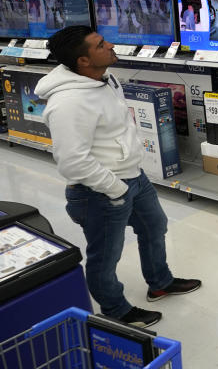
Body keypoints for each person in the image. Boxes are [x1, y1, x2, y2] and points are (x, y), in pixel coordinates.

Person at [36, 27, 201, 328]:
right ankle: (115, 310)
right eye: (101, 44)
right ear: (84, 61)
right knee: (105, 256)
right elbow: (72, 161)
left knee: (155, 227)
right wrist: (115, 189)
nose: (110, 44)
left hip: (133, 178)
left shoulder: (103, 79)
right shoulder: (69, 103)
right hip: (100, 191)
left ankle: (160, 282)